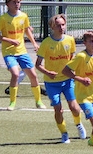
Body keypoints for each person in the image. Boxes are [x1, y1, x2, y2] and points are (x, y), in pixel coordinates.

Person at [35, 13, 87, 143]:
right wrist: (48, 72)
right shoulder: (46, 43)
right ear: (52, 27)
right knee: (58, 109)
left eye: (63, 25)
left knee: (74, 107)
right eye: (58, 25)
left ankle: (78, 124)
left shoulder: (70, 40)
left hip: (67, 80)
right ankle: (64, 133)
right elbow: (38, 64)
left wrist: (74, 72)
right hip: (52, 82)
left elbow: (72, 59)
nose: (61, 27)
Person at [0, 0, 43, 110]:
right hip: (8, 52)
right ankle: (12, 102)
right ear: (7, 4)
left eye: (18, 2)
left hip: (22, 51)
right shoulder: (3, 19)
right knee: (15, 74)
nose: (16, 4)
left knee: (33, 75)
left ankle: (38, 101)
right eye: (14, 2)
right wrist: (9, 40)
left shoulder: (23, 16)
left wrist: (34, 43)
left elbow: (27, 30)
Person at [62, 30, 93, 154]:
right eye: (90, 41)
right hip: (84, 97)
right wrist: (80, 79)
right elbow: (65, 71)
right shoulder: (81, 57)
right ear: (85, 43)